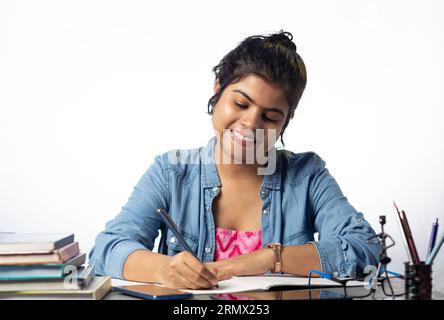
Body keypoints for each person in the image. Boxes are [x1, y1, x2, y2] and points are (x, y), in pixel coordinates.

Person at [89, 30, 381, 289]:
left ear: (285, 122)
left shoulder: (307, 175)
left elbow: (365, 247)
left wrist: (270, 258)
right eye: (241, 103)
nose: (251, 124)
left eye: (270, 116)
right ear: (218, 89)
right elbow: (106, 249)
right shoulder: (171, 171)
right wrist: (164, 269)